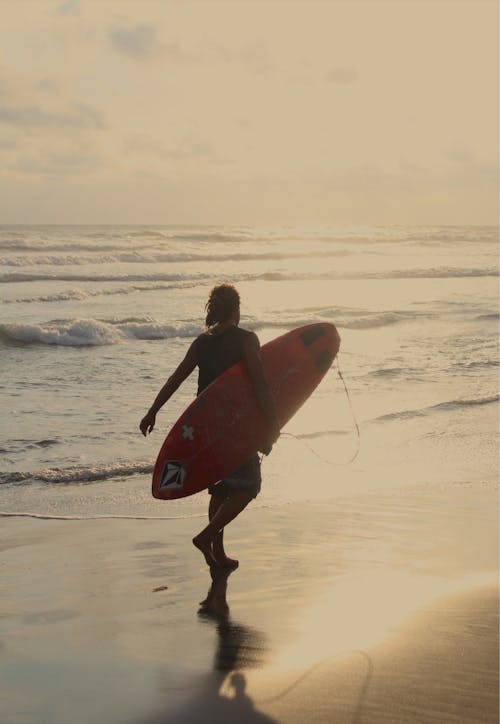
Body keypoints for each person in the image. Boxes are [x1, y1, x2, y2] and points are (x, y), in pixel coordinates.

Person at [140, 284, 280, 569]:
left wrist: (152, 411)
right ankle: (206, 537)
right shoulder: (247, 339)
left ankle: (218, 551)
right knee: (248, 486)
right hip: (234, 425)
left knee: (220, 487)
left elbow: (176, 378)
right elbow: (260, 384)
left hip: (204, 426)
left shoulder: (202, 342)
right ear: (237, 310)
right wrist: (272, 422)